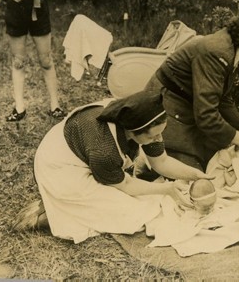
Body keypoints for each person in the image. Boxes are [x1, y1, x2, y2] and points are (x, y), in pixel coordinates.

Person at [13, 91, 212, 244]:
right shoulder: (104, 147)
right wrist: (166, 189)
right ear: (134, 131)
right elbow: (125, 184)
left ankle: (63, 207)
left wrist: (194, 174)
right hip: (60, 170)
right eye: (153, 136)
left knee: (146, 201)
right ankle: (49, 214)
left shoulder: (139, 118)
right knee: (135, 213)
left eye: (161, 134)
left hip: (86, 157)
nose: (158, 140)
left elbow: (162, 162)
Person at [145, 0, 239, 170]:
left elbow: (222, 99)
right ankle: (145, 161)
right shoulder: (218, 51)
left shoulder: (234, 48)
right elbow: (206, 116)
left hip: (188, 105)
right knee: (189, 174)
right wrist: (238, 137)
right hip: (164, 106)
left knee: (218, 163)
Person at [0, 0, 65, 122]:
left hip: (39, 14)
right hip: (15, 15)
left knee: (46, 60)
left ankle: (55, 105)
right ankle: (19, 108)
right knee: (18, 62)